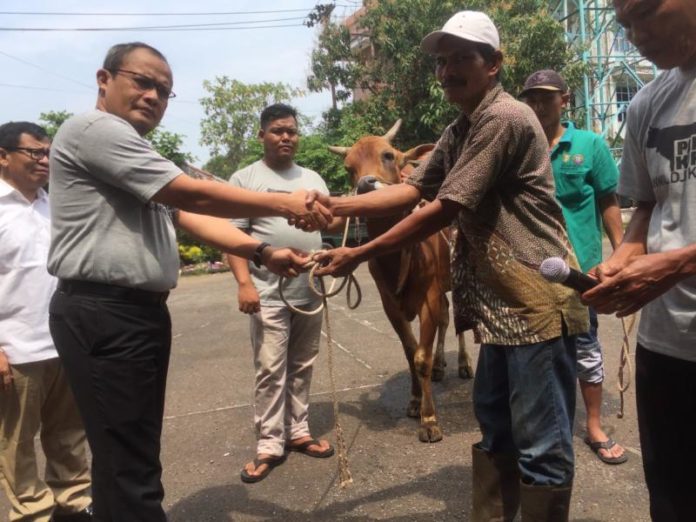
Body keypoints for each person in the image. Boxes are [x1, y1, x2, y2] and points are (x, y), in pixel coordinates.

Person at [312, 11, 588, 521]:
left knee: (541, 446)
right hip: (500, 310)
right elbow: (412, 189)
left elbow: (441, 209)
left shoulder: (503, 119)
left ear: (494, 64)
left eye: (462, 58)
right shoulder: (458, 129)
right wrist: (334, 204)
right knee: (496, 431)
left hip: (537, 307)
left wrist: (357, 252)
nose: (447, 71)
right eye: (442, 61)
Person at [46, 42, 331, 522]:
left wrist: (261, 251)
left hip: (134, 313)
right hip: (104, 311)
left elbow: (188, 216)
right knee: (128, 458)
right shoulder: (94, 130)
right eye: (142, 82)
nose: (154, 96)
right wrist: (285, 203)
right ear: (104, 79)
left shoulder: (137, 151)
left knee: (128, 447)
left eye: (164, 90)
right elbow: (189, 192)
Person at [583, 0, 696, 518]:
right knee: (672, 501)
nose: (634, 34)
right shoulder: (646, 103)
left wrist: (676, 264)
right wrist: (625, 258)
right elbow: (647, 207)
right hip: (665, 346)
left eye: (645, 11)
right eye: (623, 22)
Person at [519, 70, 627, 465]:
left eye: (546, 97)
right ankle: (543, 426)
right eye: (530, 97)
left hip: (581, 270)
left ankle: (594, 426)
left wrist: (619, 257)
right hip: (530, 269)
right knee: (533, 349)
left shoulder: (588, 144)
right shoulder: (518, 146)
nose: (537, 105)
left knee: (585, 346)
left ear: (565, 99)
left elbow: (608, 199)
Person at [227, 103, 336, 483]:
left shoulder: (314, 178)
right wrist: (244, 283)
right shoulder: (245, 179)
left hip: (309, 288)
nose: (286, 137)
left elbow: (331, 221)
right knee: (271, 367)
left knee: (303, 363)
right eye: (277, 131)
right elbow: (234, 237)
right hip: (267, 291)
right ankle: (270, 443)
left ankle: (299, 430)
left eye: (291, 130)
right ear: (262, 136)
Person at [0, 121, 92, 522]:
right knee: (16, 443)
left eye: (47, 152)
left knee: (69, 433)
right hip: (16, 349)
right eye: (34, 153)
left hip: (65, 341)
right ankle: (32, 512)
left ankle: (74, 499)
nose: (44, 160)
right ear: (3, 156)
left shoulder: (52, 203)